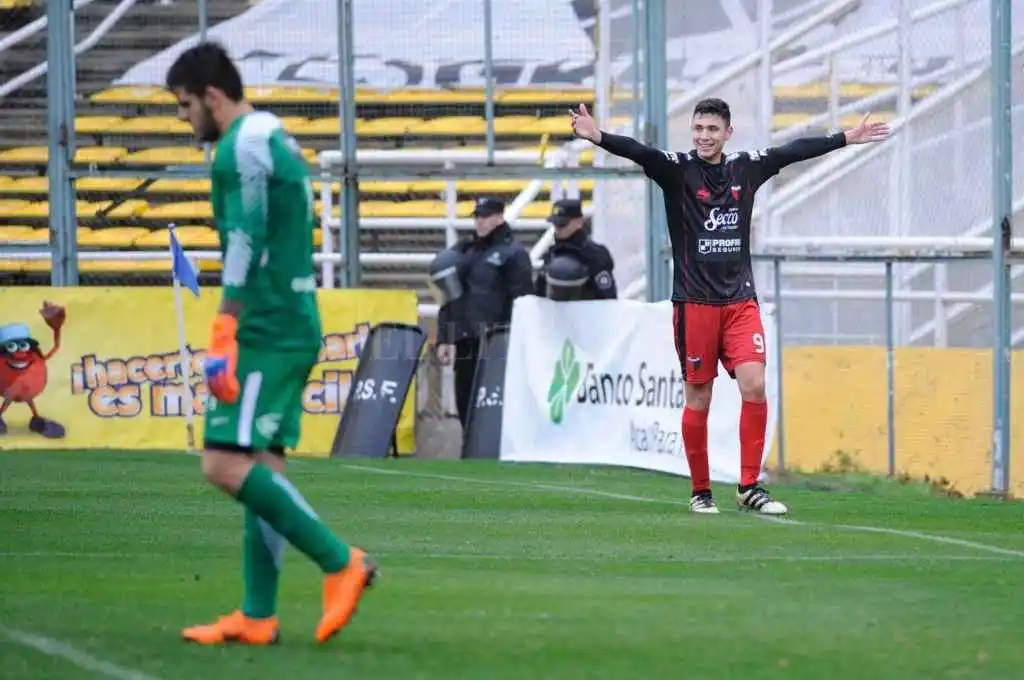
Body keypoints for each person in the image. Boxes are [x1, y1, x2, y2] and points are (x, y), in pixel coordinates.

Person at [570, 98, 889, 515]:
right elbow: (641, 152)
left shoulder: (746, 168)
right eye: (699, 128)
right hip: (694, 304)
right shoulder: (677, 169)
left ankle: (749, 487)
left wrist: (846, 138)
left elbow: (792, 151)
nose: (704, 136)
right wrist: (599, 137)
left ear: (728, 133)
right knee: (698, 396)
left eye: (712, 130)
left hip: (740, 301)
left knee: (754, 384)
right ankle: (700, 490)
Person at [165, 41, 377, 646]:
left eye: (186, 107)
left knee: (222, 462)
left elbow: (245, 238)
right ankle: (258, 614)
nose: (187, 121)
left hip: (267, 323)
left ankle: (342, 561)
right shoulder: (271, 135)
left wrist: (225, 325)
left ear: (211, 96)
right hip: (289, 316)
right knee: (262, 466)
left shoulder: (241, 147)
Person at [435, 197, 534, 428]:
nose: (480, 222)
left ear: (500, 217)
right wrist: (444, 337)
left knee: (495, 401)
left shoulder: (513, 253)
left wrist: (515, 339)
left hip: (497, 342)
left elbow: (522, 300)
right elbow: (448, 297)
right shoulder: (464, 252)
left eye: (486, 216)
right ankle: (469, 448)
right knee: (464, 399)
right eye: (478, 216)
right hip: (466, 340)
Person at [535, 198, 617, 300]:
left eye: (562, 224)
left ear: (579, 222)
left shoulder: (596, 256)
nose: (558, 229)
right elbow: (540, 296)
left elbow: (607, 299)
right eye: (555, 224)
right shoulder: (551, 255)